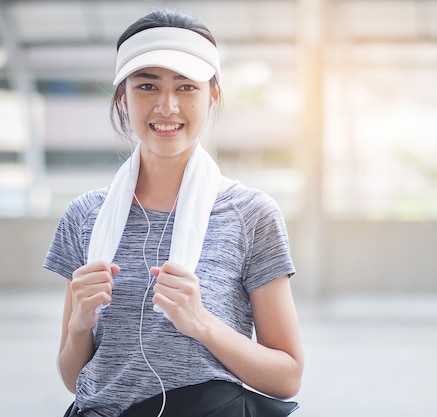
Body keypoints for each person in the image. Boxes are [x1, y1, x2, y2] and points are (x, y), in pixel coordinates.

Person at [43, 9, 304, 417]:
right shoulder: (85, 216)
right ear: (123, 97)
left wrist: (201, 323)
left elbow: (287, 375)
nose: (167, 106)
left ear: (212, 96)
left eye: (186, 87)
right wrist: (79, 324)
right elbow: (76, 378)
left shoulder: (250, 214)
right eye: (147, 86)